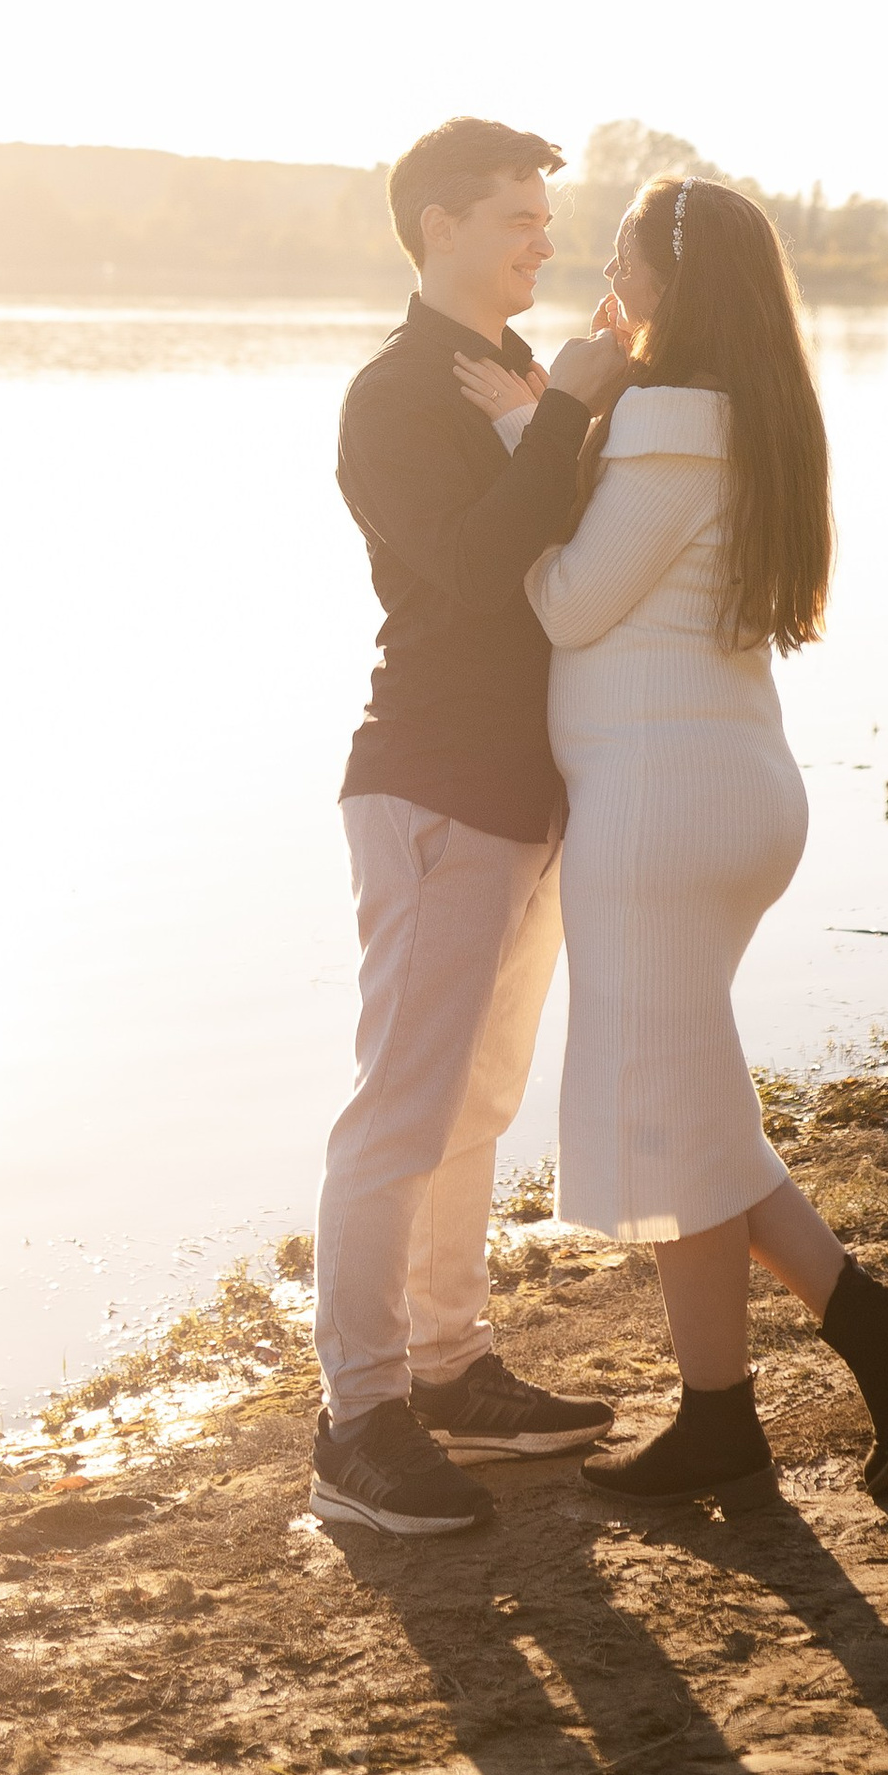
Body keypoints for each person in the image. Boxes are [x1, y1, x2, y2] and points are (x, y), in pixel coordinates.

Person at [456, 171, 888, 1500]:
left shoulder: (668, 423)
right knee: (692, 1104)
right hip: (720, 795)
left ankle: (766, 1390)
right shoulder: (735, 417)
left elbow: (567, 602)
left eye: (623, 264)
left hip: (661, 816)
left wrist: (531, 435)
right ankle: (845, 1342)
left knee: (674, 1115)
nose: (606, 290)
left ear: (668, 288)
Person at [309, 116, 636, 1541]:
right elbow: (473, 568)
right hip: (433, 783)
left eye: (545, 216)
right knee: (401, 1107)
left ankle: (451, 1370)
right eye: (515, 215)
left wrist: (575, 399)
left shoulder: (509, 375)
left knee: (479, 1104)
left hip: (529, 789)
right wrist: (559, 410)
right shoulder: (390, 396)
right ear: (436, 224)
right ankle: (358, 1419)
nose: (542, 238)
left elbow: (583, 552)